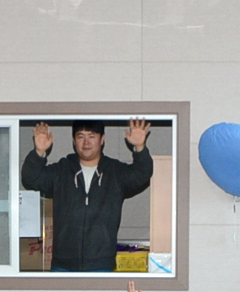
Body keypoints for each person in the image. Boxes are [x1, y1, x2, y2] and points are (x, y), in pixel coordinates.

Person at [22, 117, 154, 272]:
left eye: (92, 136)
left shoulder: (115, 172)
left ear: (102, 139)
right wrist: (39, 152)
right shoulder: (61, 170)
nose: (86, 142)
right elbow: (31, 178)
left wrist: (139, 148)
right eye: (80, 136)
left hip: (101, 264)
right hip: (63, 264)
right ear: (74, 141)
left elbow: (142, 174)